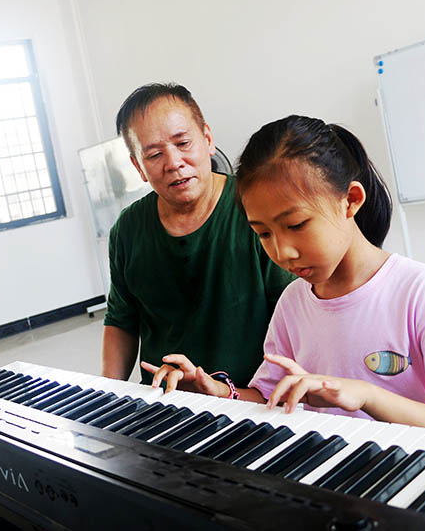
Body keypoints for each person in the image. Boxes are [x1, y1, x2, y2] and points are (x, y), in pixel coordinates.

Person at [144, 115, 425, 435]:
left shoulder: (421, 292)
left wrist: (366, 395)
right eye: (264, 233)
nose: (282, 252)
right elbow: (268, 395)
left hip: (411, 477)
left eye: (297, 224)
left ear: (350, 200)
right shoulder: (294, 302)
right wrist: (218, 392)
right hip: (331, 475)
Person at [102, 83, 295, 387]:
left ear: (207, 139)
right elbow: (121, 321)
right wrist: (108, 392)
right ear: (138, 166)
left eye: (183, 143)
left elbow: (295, 315)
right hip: (165, 401)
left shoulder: (254, 209)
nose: (173, 163)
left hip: (250, 400)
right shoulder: (128, 229)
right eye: (153, 154)